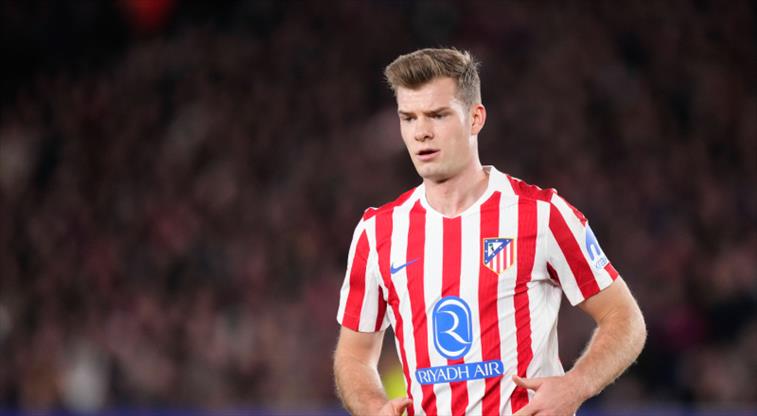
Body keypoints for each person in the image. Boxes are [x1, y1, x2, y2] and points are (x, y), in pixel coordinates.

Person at [333, 48, 646, 416]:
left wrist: (575, 386)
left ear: (475, 118)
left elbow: (625, 318)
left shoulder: (541, 215)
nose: (421, 132)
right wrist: (374, 408)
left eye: (438, 115)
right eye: (409, 118)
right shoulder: (377, 232)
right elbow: (354, 355)